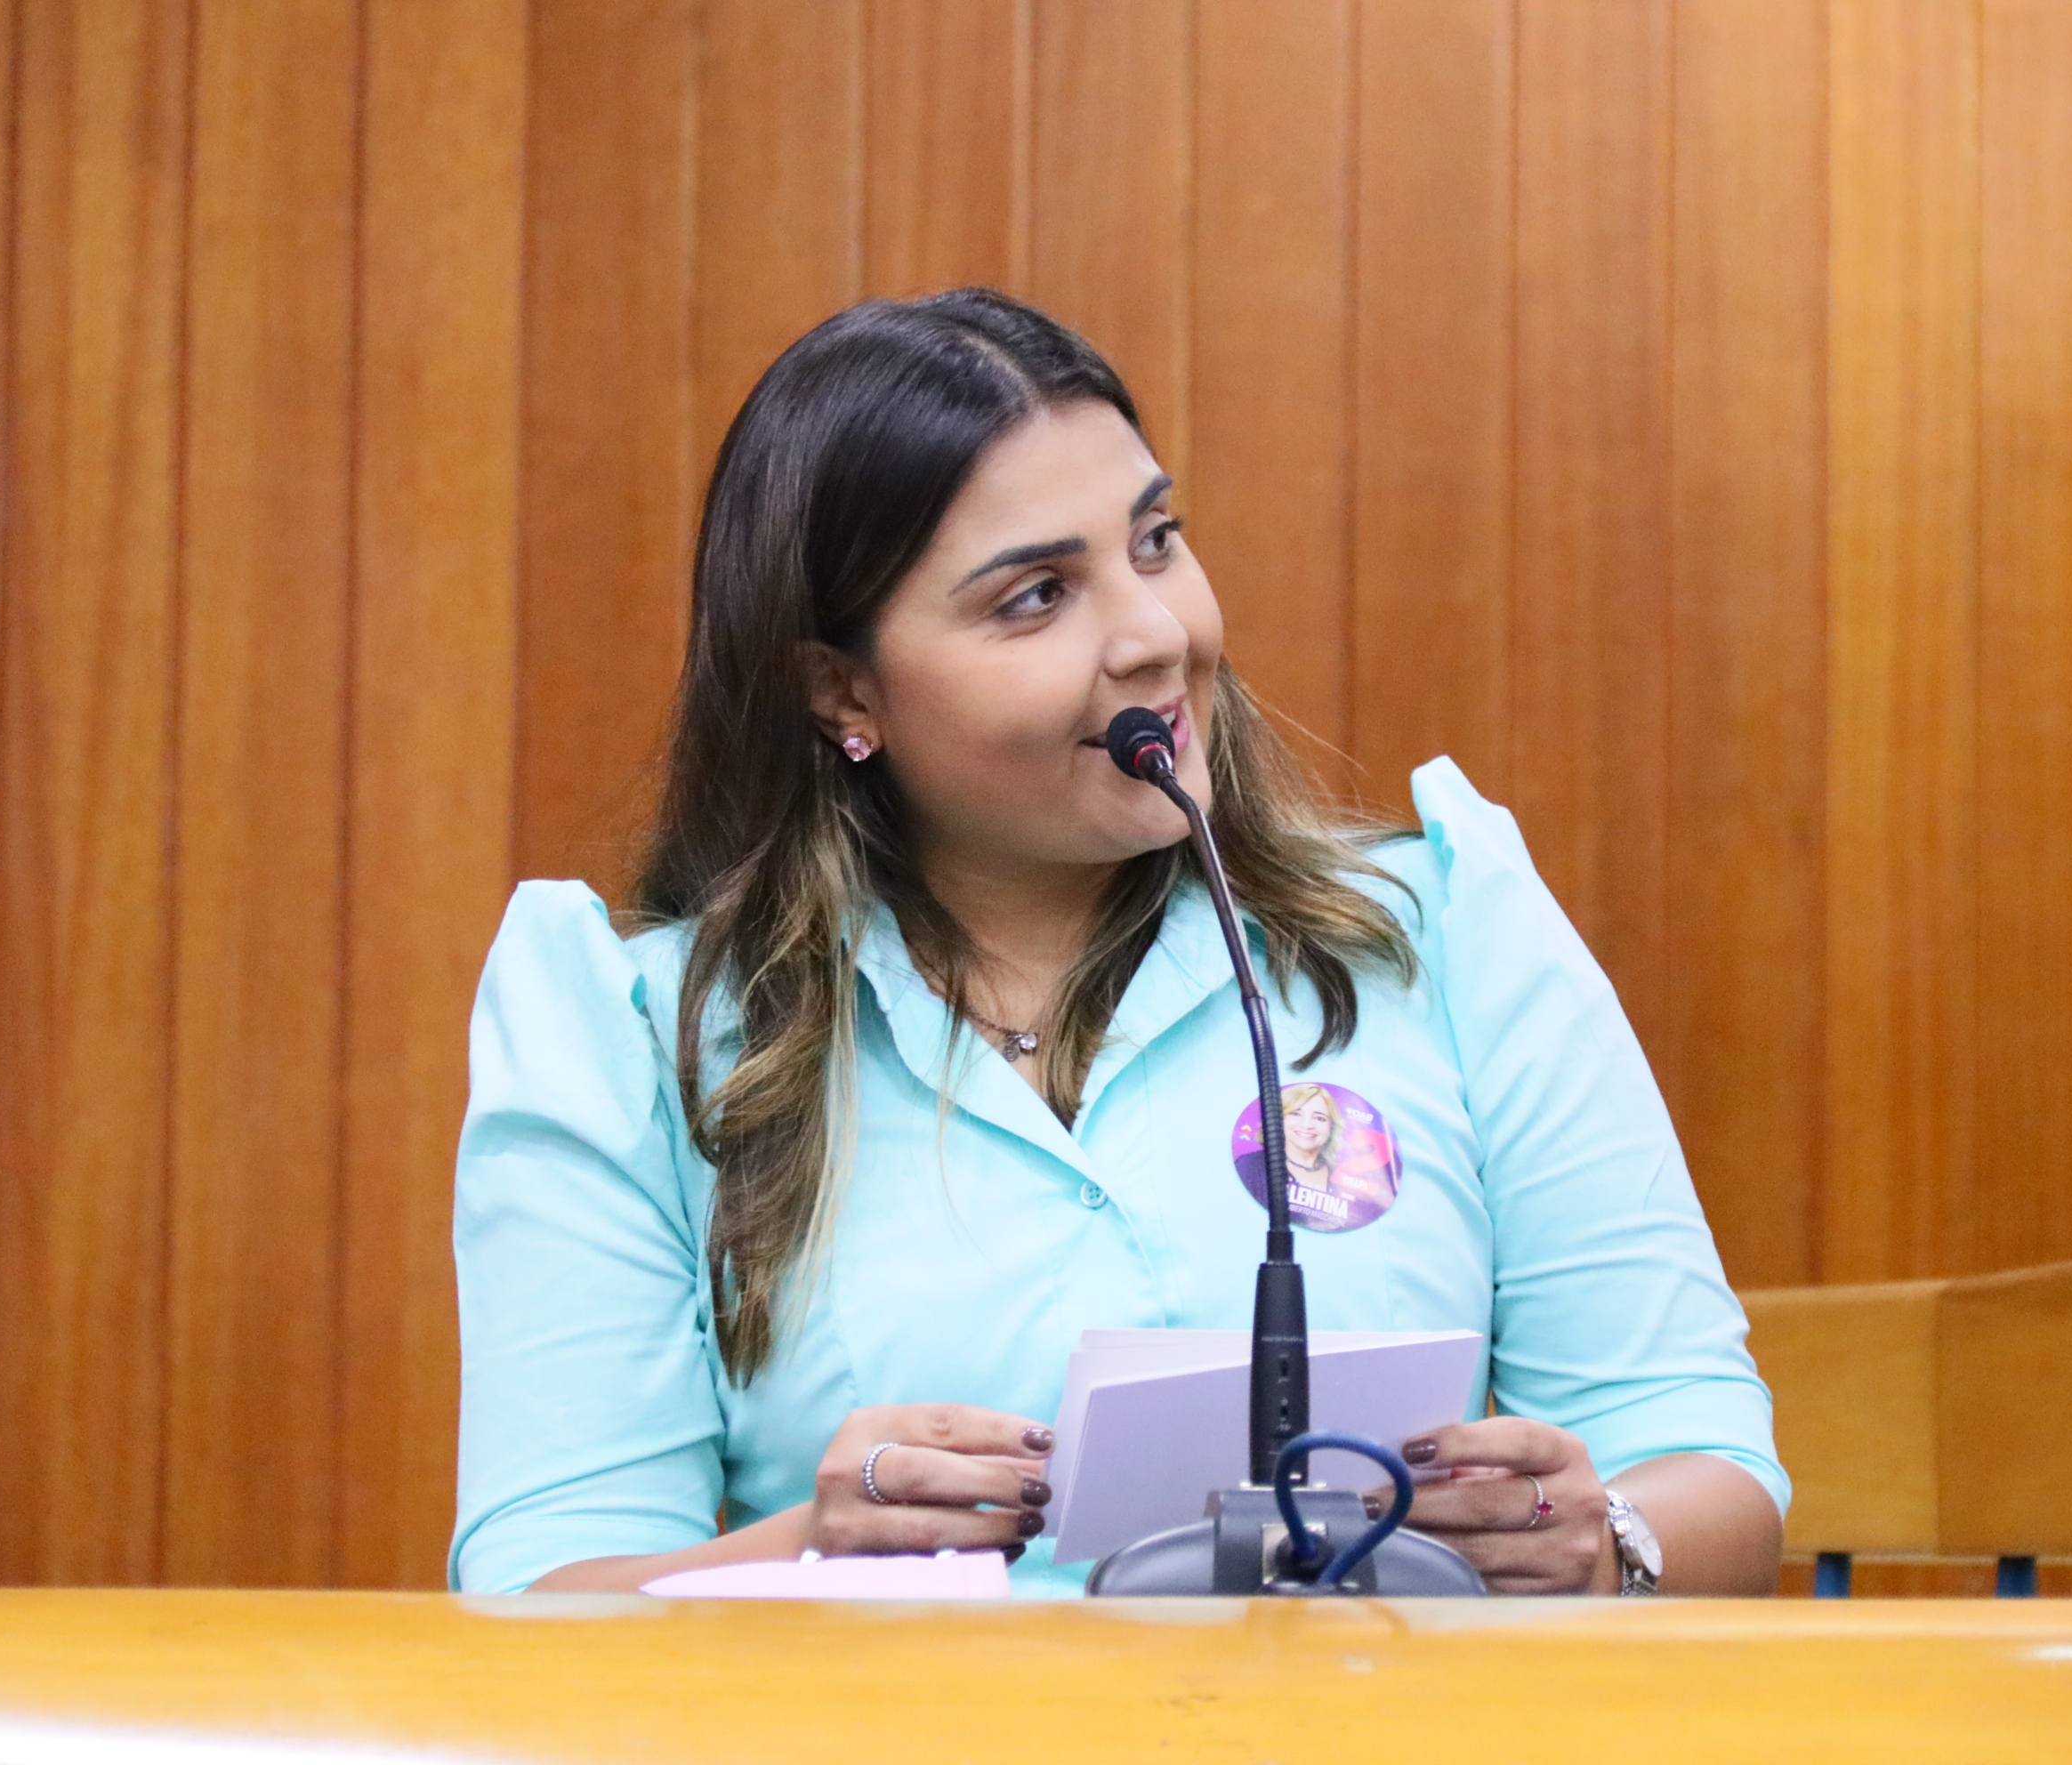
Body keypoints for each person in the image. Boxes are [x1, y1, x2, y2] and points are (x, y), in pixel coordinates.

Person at [450, 289, 1787, 1599]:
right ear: (843, 691)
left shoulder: (1435, 936)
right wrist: (811, 1549)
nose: (1156, 635)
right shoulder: (640, 1040)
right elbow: (539, 1595)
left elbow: (1706, 1463)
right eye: (1036, 597)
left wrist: (1602, 1540)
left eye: (1155, 541)